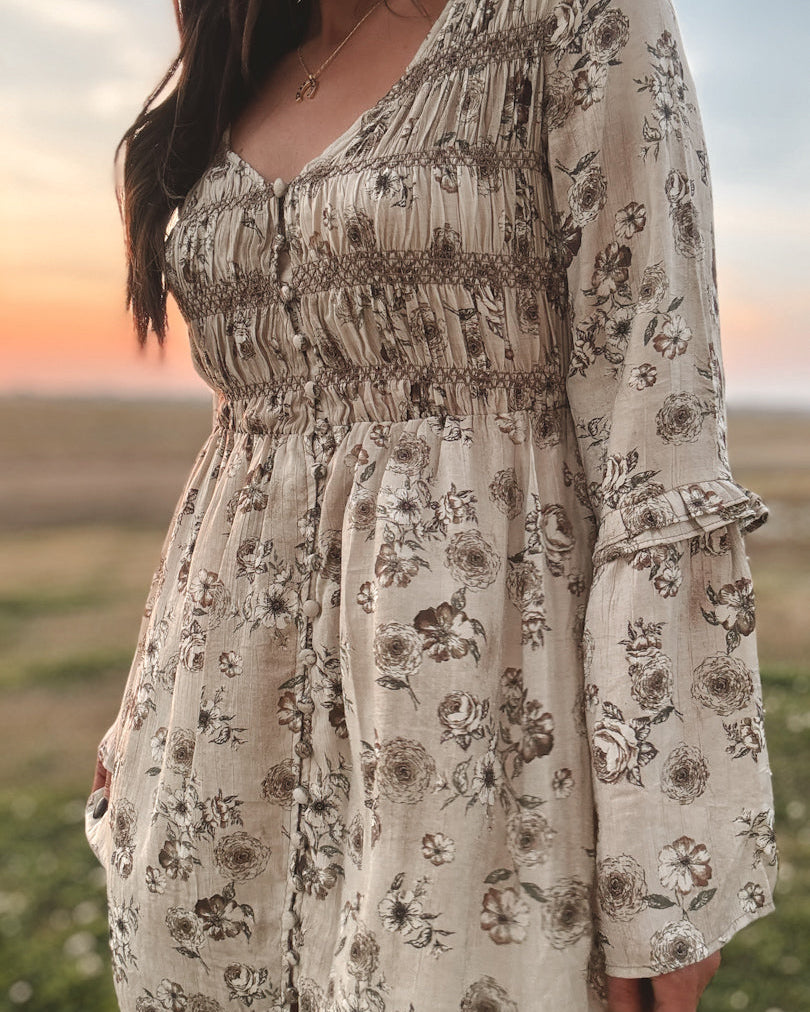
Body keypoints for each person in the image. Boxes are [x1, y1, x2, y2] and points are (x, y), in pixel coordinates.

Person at [86, 1, 778, 1010]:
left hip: (477, 757)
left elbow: (652, 435)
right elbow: (251, 452)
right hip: (205, 760)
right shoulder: (249, 53)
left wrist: (664, 863)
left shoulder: (573, 17)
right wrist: (129, 732)